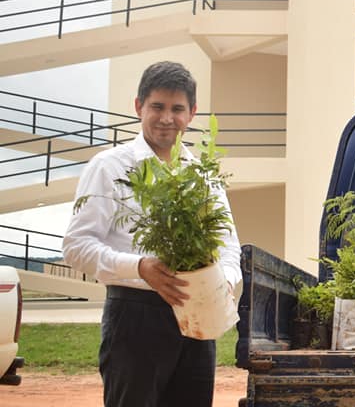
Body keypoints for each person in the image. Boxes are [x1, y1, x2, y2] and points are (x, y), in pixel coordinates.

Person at [63, 61, 241, 407]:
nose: (166, 118)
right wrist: (139, 267)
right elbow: (76, 246)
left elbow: (228, 246)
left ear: (192, 113)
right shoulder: (110, 166)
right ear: (138, 107)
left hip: (197, 316)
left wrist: (223, 281)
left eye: (177, 109)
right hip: (134, 317)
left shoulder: (205, 176)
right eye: (157, 107)